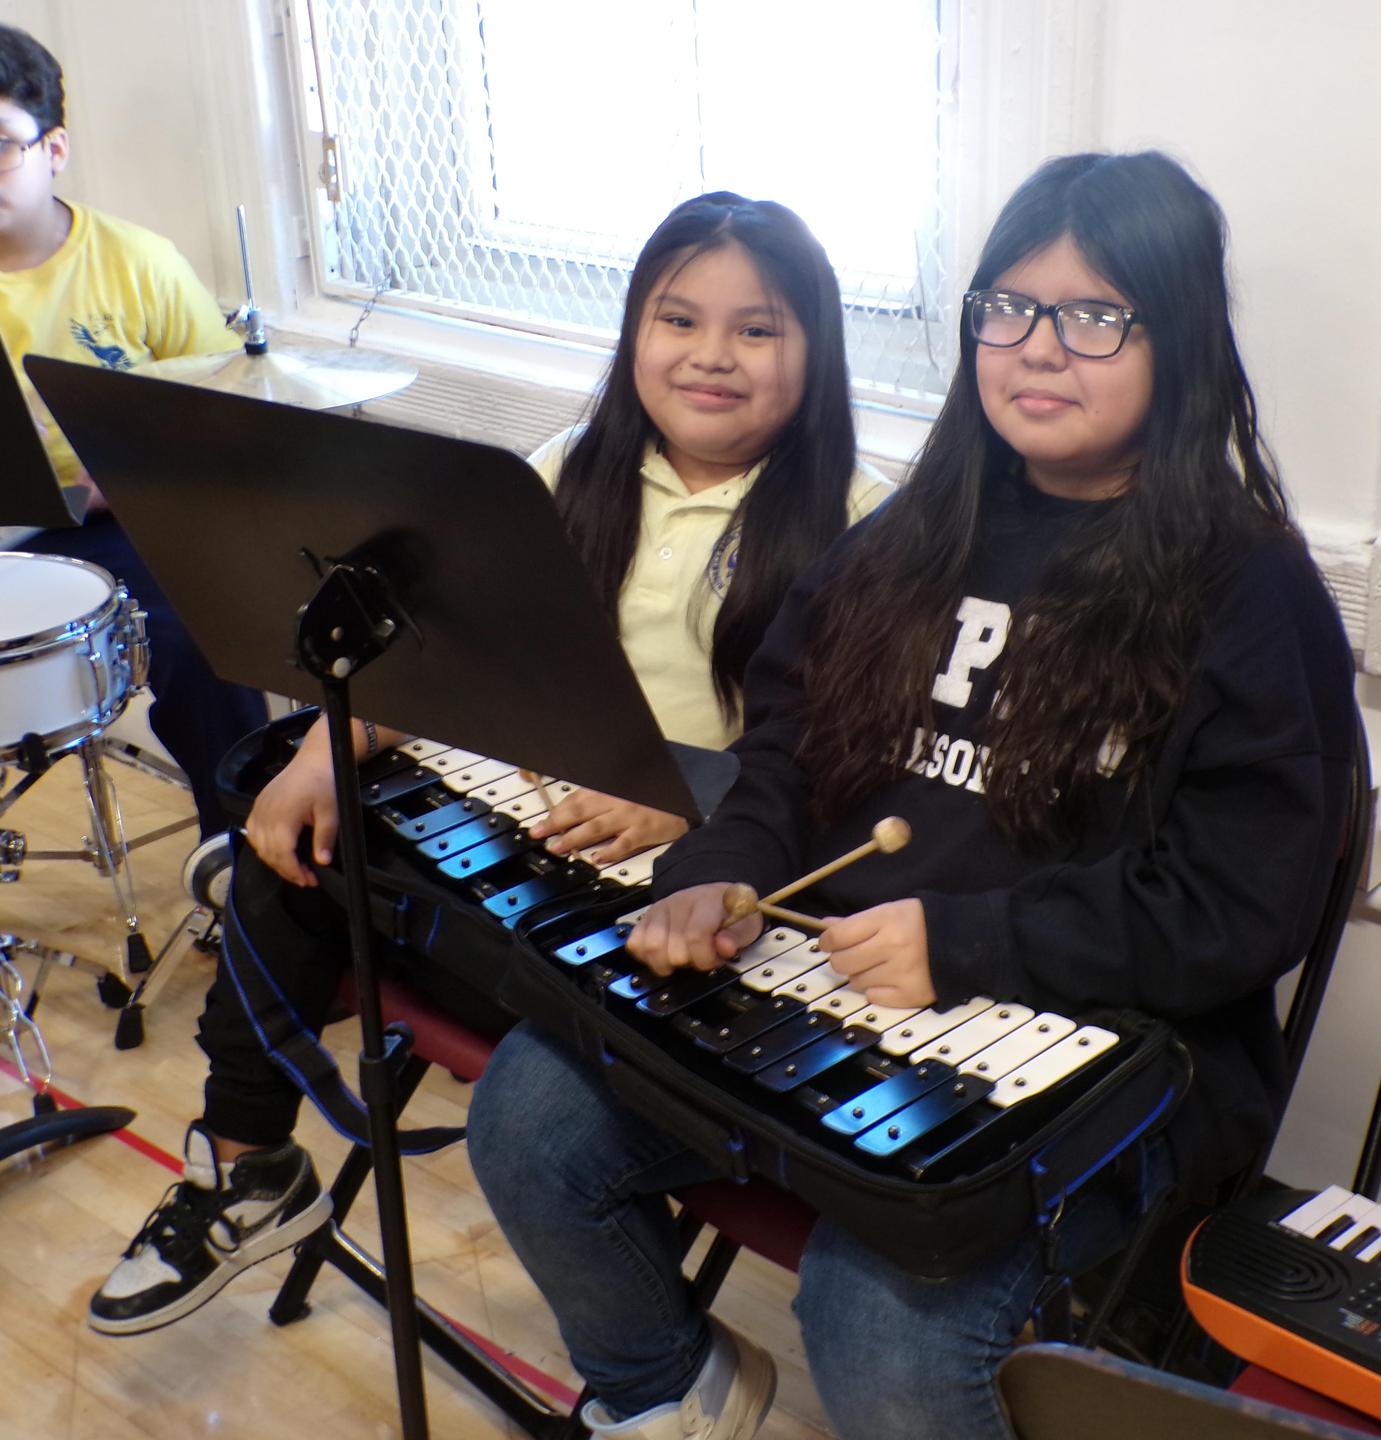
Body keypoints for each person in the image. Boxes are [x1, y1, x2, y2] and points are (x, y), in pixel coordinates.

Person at [465, 151, 1357, 1440]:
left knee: (877, 1309)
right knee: (533, 1112)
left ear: (1183, 341)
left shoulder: (1249, 591)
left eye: (1096, 317)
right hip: (845, 1005)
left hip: (1111, 1059)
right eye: (1009, 308)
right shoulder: (909, 535)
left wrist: (968, 942)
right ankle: (666, 1393)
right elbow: (783, 757)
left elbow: (1238, 906)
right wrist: (718, 869)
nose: (1041, 350)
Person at [85, 191, 893, 1336]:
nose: (712, 356)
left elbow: (847, 768)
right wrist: (322, 751)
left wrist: (686, 799)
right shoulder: (567, 465)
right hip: (521, 848)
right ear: (634, 332)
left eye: (758, 330)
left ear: (816, 350)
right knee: (298, 830)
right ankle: (246, 1160)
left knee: (308, 897)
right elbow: (420, 648)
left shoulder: (868, 523)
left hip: (682, 903)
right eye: (679, 320)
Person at [0, 23, 265, 840]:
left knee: (198, 638)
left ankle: (250, 857)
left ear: (55, 149)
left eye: (1, 145)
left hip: (117, 528)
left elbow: (232, 410)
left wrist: (149, 468)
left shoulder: (137, 263)